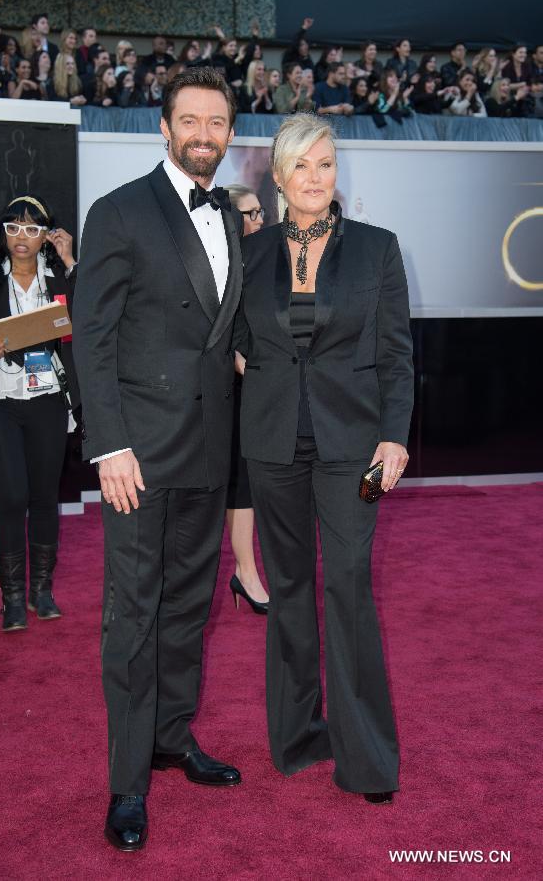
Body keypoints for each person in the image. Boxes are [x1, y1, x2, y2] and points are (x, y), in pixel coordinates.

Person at [72, 67, 244, 852]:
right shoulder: (118, 212)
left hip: (207, 450)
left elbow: (219, 332)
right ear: (164, 127)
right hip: (136, 456)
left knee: (185, 610)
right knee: (132, 619)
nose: (203, 135)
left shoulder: (235, 220)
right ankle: (127, 781)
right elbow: (95, 338)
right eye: (190, 122)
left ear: (229, 132)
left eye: (216, 123)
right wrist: (107, 443)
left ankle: (172, 738)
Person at [232, 113, 413, 804]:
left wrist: (393, 439)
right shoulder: (250, 255)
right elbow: (233, 341)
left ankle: (365, 756)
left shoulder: (376, 249)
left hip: (358, 453)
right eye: (301, 166)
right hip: (271, 447)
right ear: (278, 177)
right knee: (289, 591)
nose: (315, 178)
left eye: (325, 164)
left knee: (347, 582)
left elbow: (397, 355)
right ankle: (297, 734)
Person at [0, 196, 79, 632]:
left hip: (46, 399)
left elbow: (88, 318)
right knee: (12, 497)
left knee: (45, 496)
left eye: (31, 228)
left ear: (47, 234)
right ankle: (12, 599)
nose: (21, 237)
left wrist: (70, 261)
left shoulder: (59, 277)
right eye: (13, 227)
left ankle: (42, 591)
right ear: (3, 233)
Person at [223, 184, 269, 614]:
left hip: (264, 384)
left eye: (260, 213)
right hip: (233, 388)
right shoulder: (223, 265)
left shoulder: (267, 259)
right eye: (250, 214)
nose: (259, 221)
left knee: (253, 485)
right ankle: (246, 572)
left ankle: (249, 572)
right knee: (240, 485)